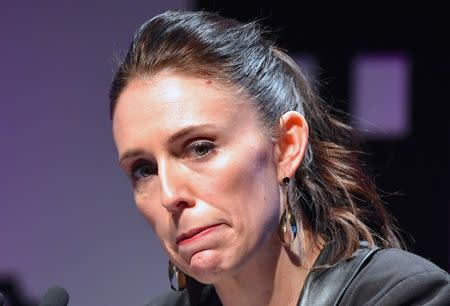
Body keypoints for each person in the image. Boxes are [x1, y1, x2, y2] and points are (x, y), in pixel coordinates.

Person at [109, 10, 450, 306]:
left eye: (200, 148)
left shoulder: (403, 296)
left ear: (286, 146)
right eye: (144, 170)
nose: (170, 196)